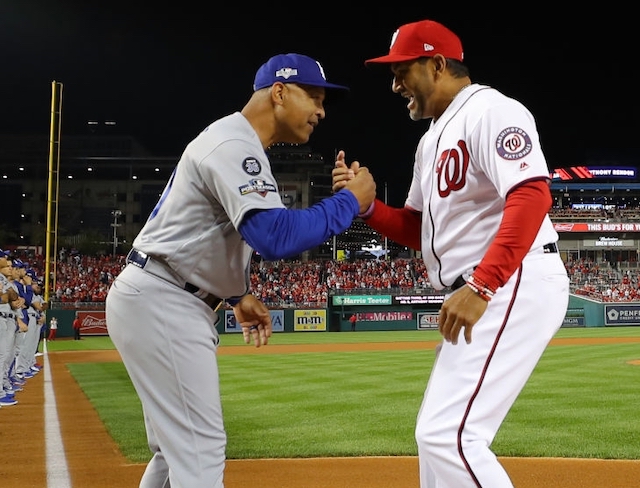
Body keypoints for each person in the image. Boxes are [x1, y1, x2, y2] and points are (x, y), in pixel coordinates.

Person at [105, 52, 376, 488]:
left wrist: (235, 294)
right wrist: (351, 201)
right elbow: (275, 236)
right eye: (315, 97)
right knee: (201, 454)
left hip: (161, 293)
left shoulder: (236, 141)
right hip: (164, 301)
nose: (322, 111)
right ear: (280, 92)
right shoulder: (235, 145)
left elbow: (201, 232)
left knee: (173, 456)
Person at [333, 20, 569, 487]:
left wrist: (483, 284)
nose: (395, 83)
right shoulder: (430, 141)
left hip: (510, 278)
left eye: (403, 69)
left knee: (450, 437)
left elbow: (532, 195)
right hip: (488, 282)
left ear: (438, 64)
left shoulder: (491, 110)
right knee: (436, 436)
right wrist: (369, 208)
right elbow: (422, 229)